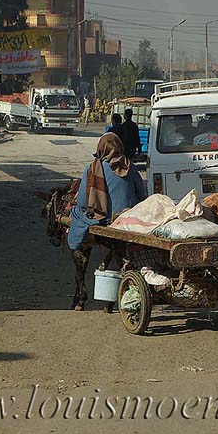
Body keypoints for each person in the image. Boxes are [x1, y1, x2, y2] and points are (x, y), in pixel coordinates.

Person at [67, 133, 147, 311]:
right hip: (128, 219)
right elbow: (142, 196)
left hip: (102, 221)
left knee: (75, 214)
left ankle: (77, 249)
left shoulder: (92, 168)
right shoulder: (130, 167)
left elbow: (82, 202)